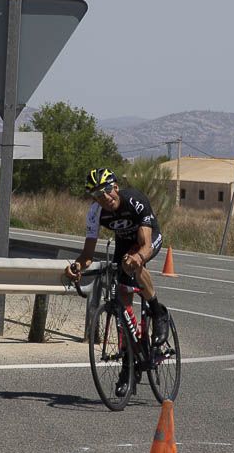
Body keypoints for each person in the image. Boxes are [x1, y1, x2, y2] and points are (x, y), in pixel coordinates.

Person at [64, 168, 168, 393]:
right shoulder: (95, 213)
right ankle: (129, 365)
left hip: (147, 237)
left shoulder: (135, 200)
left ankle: (158, 312)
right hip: (123, 242)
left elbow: (146, 244)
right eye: (98, 195)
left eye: (108, 190)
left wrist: (138, 257)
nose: (105, 198)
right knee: (122, 302)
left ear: (116, 187)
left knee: (135, 264)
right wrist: (76, 267)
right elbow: (87, 256)